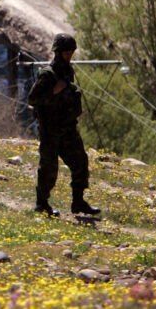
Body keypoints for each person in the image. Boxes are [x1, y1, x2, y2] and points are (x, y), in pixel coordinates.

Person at [28, 33, 100, 217]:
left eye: (71, 52)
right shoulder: (47, 75)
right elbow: (33, 99)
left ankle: (78, 202)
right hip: (50, 130)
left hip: (67, 128)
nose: (69, 55)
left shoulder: (68, 72)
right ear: (58, 52)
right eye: (66, 52)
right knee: (49, 168)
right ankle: (42, 204)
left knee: (80, 163)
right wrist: (53, 91)